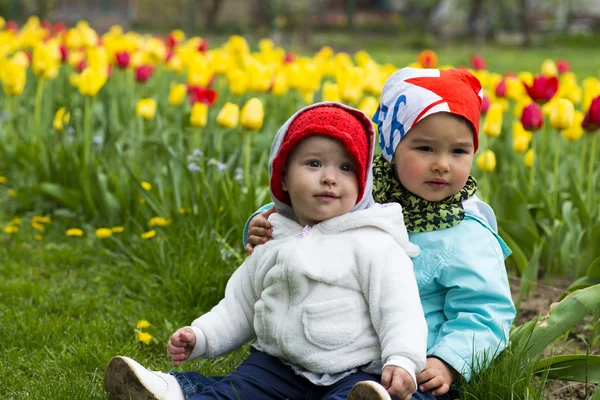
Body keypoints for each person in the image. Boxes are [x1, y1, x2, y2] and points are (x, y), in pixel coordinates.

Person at [104, 102, 428, 400]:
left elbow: (400, 309)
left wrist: (402, 359)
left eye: (346, 168)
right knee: (232, 392)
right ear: (284, 177)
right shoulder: (273, 236)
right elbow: (240, 304)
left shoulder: (373, 242)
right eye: (314, 164)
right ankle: (173, 390)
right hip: (275, 366)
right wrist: (201, 335)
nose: (330, 178)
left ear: (362, 185)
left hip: (351, 371)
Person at [244, 68, 516, 399]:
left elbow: (485, 311)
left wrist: (449, 361)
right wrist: (264, 221)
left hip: (413, 367)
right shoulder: (364, 197)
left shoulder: (469, 235)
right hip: (335, 350)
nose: (442, 164)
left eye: (458, 151)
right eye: (425, 149)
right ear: (390, 145)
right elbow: (305, 208)